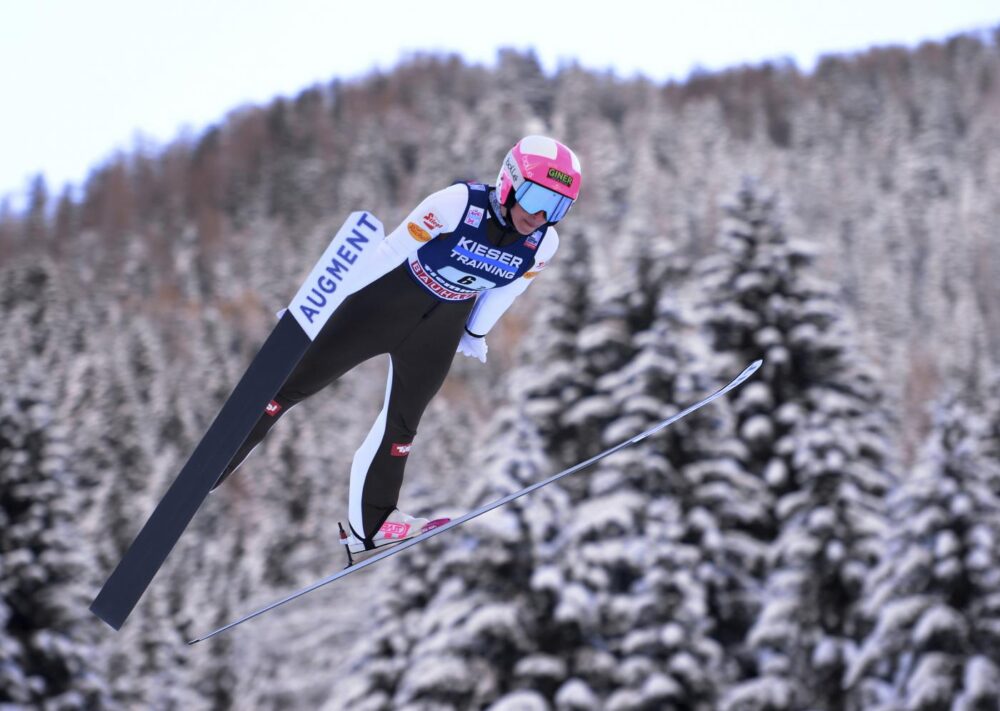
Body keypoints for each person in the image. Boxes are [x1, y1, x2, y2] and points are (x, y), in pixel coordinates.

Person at [212, 135, 582, 554]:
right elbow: (387, 253)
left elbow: (506, 292)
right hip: (385, 303)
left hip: (441, 326)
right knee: (290, 386)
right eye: (535, 197)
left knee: (403, 425)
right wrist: (317, 304)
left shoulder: (543, 244)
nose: (539, 215)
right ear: (509, 182)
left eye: (556, 208)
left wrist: (476, 332)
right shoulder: (457, 204)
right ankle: (216, 462)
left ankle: (372, 523)